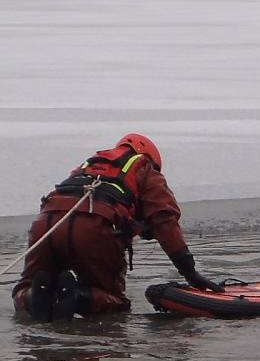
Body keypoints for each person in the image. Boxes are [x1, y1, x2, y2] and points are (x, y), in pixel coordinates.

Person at [12, 133, 222, 322]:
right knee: (115, 304)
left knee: (26, 285)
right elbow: (163, 218)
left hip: (47, 224)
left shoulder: (89, 165)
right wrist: (189, 271)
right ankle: (78, 297)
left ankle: (32, 297)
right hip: (95, 227)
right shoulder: (144, 167)